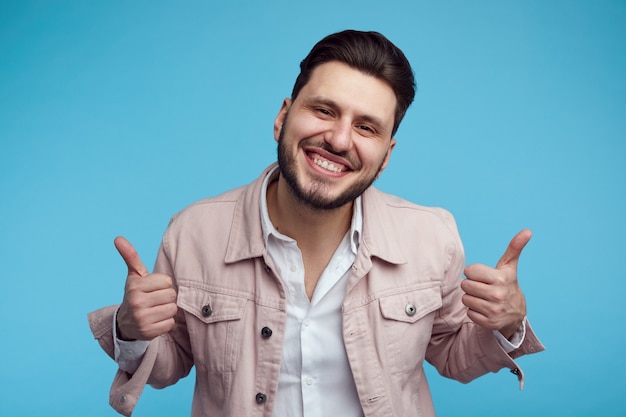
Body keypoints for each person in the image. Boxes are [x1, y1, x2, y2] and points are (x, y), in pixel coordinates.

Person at [88, 30, 544, 417]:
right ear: (283, 117)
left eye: (366, 128)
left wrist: (506, 325)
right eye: (324, 110)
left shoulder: (432, 236)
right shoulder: (193, 232)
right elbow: (170, 362)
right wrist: (132, 329)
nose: (338, 139)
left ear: (386, 157)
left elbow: (452, 354)